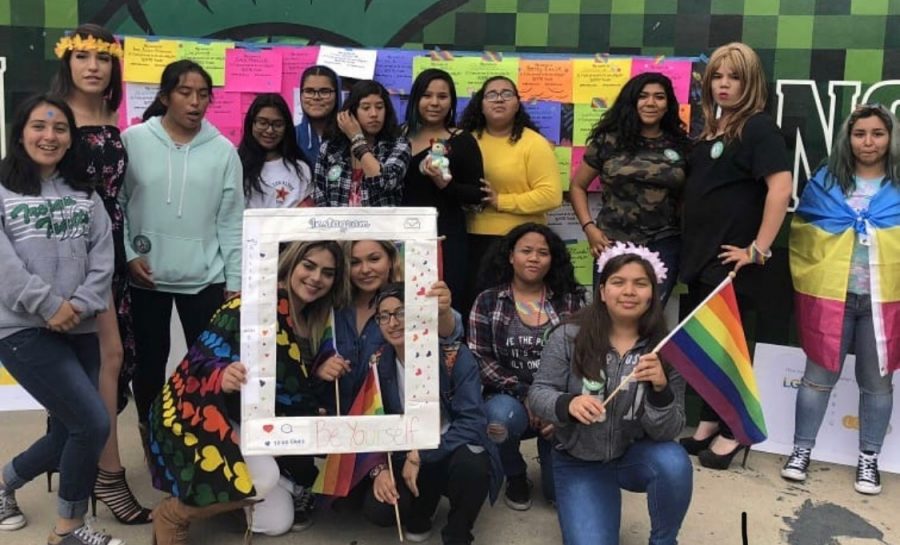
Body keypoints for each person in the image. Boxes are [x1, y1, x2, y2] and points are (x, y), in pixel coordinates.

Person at [147, 241, 352, 542]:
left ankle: (234, 495)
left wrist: (319, 371)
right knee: (264, 477)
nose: (316, 277)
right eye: (309, 266)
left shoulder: (319, 319)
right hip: (201, 415)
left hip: (255, 422)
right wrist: (222, 374)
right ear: (291, 264)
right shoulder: (249, 305)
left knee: (277, 522)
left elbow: (295, 382)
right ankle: (175, 513)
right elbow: (201, 357)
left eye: (328, 272)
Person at [0, 95, 121, 545]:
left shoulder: (85, 194)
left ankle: (3, 486)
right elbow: (4, 265)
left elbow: (102, 258)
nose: (49, 136)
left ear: (72, 138)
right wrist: (49, 305)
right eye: (38, 126)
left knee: (76, 425)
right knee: (91, 423)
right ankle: (68, 530)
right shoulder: (0, 186)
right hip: (22, 329)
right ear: (20, 132)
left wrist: (80, 304)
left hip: (82, 326)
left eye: (60, 129)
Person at [50, 23, 151, 525]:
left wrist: (128, 250)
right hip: (75, 252)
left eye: (103, 58)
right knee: (104, 360)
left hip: (110, 247)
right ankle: (107, 476)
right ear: (66, 62)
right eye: (83, 56)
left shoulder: (111, 114)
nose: (93, 66)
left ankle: (85, 471)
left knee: (107, 364)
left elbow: (119, 197)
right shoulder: (55, 118)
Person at [528, 244, 691, 545]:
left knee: (674, 461)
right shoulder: (568, 335)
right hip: (578, 459)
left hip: (633, 454)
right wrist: (568, 403)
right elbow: (537, 394)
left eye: (640, 284)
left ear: (652, 294)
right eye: (618, 282)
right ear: (602, 291)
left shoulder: (666, 350)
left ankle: (665, 541)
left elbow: (670, 429)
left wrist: (660, 389)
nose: (629, 291)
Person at [678, 42, 792, 470]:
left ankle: (734, 432)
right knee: (710, 348)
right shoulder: (712, 129)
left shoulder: (759, 128)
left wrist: (757, 250)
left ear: (752, 82)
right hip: (703, 260)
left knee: (729, 351)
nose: (724, 85)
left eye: (735, 77)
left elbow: (780, 189)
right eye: (718, 77)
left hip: (733, 264)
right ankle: (709, 422)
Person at [118, 60, 244, 440]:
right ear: (164, 96)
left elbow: (231, 220)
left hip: (206, 278)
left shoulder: (223, 151)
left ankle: (208, 437)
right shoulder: (133, 139)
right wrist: (128, 255)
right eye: (185, 93)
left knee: (209, 364)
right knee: (149, 363)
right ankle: (151, 432)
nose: (195, 102)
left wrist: (235, 281)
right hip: (146, 277)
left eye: (203, 94)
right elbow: (118, 204)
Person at [782, 104, 900, 495]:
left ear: (890, 138)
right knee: (817, 379)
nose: (868, 141)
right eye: (860, 133)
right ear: (848, 139)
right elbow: (804, 232)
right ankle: (801, 451)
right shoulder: (827, 182)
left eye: (877, 133)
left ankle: (869, 459)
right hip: (834, 297)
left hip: (884, 303)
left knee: (877, 384)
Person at [364, 283, 503, 545]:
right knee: (379, 509)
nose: (393, 322)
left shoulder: (453, 356)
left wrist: (422, 454)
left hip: (451, 445)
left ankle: (458, 530)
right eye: (384, 316)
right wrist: (379, 467)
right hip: (405, 451)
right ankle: (420, 510)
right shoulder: (378, 362)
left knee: (473, 466)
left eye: (401, 313)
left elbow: (472, 422)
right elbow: (371, 422)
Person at [468, 223, 585, 510]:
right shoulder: (488, 300)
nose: (534, 258)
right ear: (510, 256)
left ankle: (553, 457)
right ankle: (515, 474)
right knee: (497, 420)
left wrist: (558, 407)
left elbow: (586, 359)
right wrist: (527, 394)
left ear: (552, 259)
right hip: (510, 397)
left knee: (557, 496)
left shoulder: (571, 300)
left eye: (543, 253)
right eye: (526, 251)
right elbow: (479, 358)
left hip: (560, 401)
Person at [569, 72, 690, 304]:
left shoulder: (681, 144)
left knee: (649, 317)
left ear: (668, 105)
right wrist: (589, 229)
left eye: (659, 97)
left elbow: (688, 196)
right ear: (632, 101)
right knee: (608, 318)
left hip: (664, 243)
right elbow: (577, 186)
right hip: (613, 242)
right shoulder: (609, 140)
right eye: (643, 96)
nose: (651, 103)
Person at [458, 76, 562, 316]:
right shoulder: (465, 140)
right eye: (491, 94)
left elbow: (551, 196)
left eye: (507, 94)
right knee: (476, 312)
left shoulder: (533, 143)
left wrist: (500, 201)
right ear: (480, 104)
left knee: (513, 314)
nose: (499, 99)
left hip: (519, 244)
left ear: (517, 104)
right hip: (471, 240)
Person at [334, 240, 462, 413]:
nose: (364, 269)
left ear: (391, 260)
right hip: (336, 420)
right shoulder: (333, 308)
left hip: (395, 423)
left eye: (374, 259)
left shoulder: (415, 297)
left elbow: (449, 336)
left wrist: (443, 311)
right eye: (354, 262)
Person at [401, 69, 484, 301]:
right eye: (427, 95)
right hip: (402, 234)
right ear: (416, 99)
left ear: (452, 102)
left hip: (445, 237)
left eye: (442, 96)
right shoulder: (397, 136)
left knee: (443, 302)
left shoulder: (462, 140)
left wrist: (445, 184)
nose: (434, 103)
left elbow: (477, 194)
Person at [313, 80, 410, 207]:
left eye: (380, 107)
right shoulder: (331, 148)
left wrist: (357, 139)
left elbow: (384, 183)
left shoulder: (398, 145)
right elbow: (320, 197)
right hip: (337, 225)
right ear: (351, 112)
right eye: (365, 108)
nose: (374, 114)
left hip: (381, 225)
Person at [239, 93, 313, 208]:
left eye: (278, 125)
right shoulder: (235, 164)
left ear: (287, 127)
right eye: (262, 123)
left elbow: (306, 215)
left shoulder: (301, 169)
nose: (269, 130)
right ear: (251, 124)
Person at [294, 65, 341, 166]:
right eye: (309, 91)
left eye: (325, 92)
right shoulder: (291, 136)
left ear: (337, 96)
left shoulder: (349, 137)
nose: (316, 97)